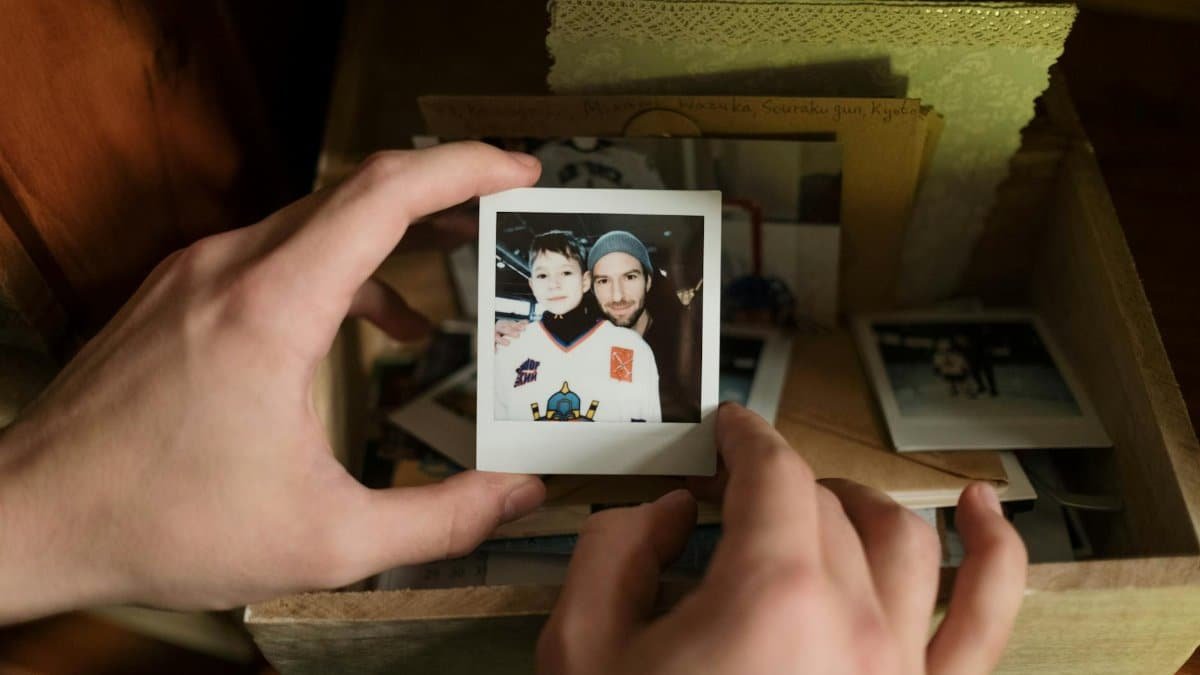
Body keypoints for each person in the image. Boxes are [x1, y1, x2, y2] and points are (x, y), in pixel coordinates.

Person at [0, 143, 1027, 674]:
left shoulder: (636, 345)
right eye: (582, 278)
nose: (599, 291)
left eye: (617, 281)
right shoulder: (539, 340)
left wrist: (37, 507)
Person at [498, 229, 701, 422]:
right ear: (591, 286)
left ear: (648, 281)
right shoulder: (515, 344)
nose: (617, 295)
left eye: (630, 277)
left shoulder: (689, 344)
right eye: (603, 281)